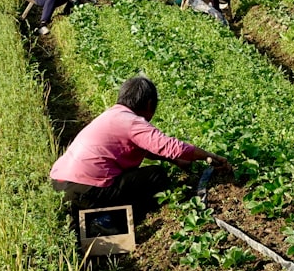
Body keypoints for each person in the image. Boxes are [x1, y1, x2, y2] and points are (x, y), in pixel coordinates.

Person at [50, 76, 230, 218]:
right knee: (156, 176)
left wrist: (175, 161)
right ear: (150, 104)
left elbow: (147, 150)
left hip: (60, 185)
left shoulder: (112, 116)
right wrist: (208, 156)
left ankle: (83, 212)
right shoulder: (132, 122)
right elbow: (171, 146)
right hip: (87, 190)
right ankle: (122, 217)